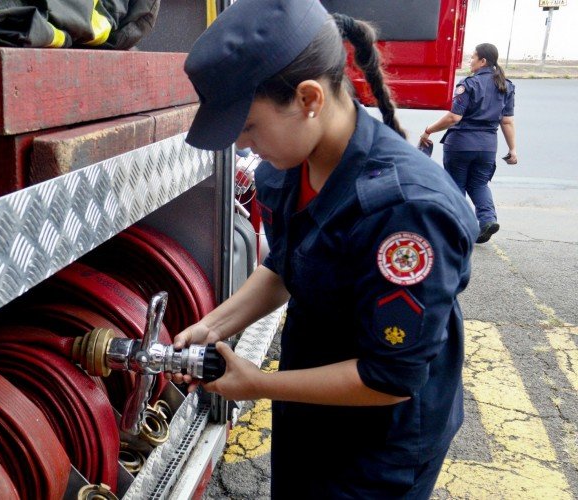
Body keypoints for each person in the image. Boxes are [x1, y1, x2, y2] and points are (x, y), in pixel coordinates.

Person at [173, 0, 479, 498]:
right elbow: (286, 265)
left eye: (248, 127)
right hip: (312, 408)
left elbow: (390, 377)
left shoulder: (406, 213)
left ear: (309, 98)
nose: (246, 148)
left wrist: (258, 383)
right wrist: (213, 326)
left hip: (377, 447)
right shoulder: (294, 166)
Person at [420, 43, 517, 244]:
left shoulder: (469, 84)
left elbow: (453, 117)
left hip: (460, 145)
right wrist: (512, 149)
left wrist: (428, 130)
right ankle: (488, 220)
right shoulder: (506, 85)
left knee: (456, 185)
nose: (470, 61)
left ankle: (457, 228)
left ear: (483, 61)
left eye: (473, 57)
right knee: (480, 184)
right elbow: (507, 121)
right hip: (488, 147)